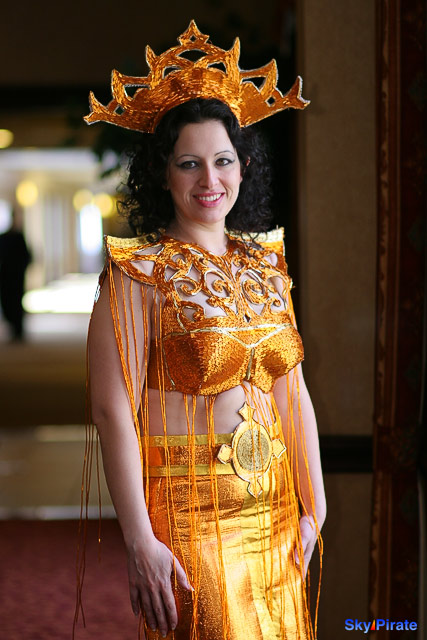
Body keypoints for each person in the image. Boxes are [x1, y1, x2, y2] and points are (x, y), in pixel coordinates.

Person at [75, 21, 326, 640]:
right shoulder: (138, 273)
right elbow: (111, 410)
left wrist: (315, 506)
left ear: (243, 167)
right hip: (192, 521)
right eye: (189, 164)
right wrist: (139, 538)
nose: (209, 181)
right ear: (163, 174)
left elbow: (293, 392)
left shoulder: (267, 264)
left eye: (222, 161)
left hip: (277, 511)